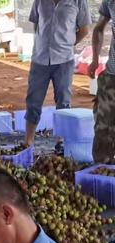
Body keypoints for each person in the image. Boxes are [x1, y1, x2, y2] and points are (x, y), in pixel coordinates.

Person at [24, 0, 91, 146]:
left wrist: (67, 44)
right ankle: (28, 140)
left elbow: (84, 30)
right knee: (33, 101)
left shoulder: (78, 1)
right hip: (40, 59)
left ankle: (62, 142)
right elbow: (36, 25)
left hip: (64, 61)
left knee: (63, 101)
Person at [89, 0, 115, 163]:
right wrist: (95, 59)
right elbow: (99, 28)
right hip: (111, 77)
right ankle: (102, 175)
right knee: (102, 133)